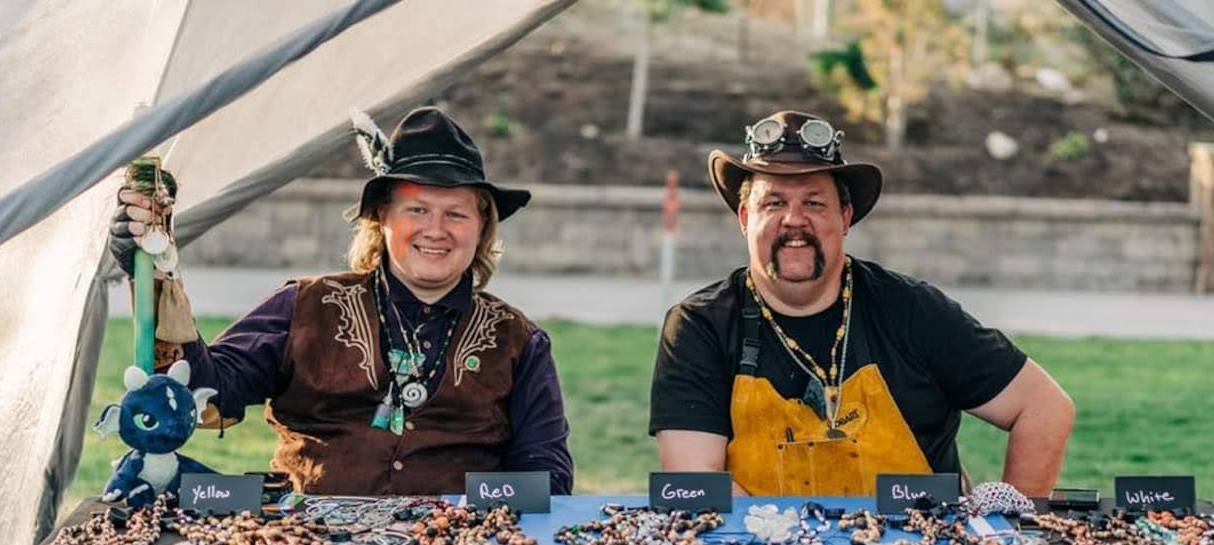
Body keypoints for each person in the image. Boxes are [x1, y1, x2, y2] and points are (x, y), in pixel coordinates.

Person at [110, 107, 573, 496]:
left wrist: (453, 515)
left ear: (481, 229)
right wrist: (153, 272)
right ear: (382, 218)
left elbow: (546, 478)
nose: (436, 229)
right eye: (417, 209)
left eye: (456, 213)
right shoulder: (303, 306)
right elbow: (203, 392)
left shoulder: (518, 340)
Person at [650, 110, 1074, 498]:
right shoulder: (699, 326)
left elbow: (1044, 408)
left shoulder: (911, 311)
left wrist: (1013, 525)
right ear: (745, 218)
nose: (794, 220)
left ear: (845, 218)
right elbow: (695, 479)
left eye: (814, 203)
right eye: (774, 203)